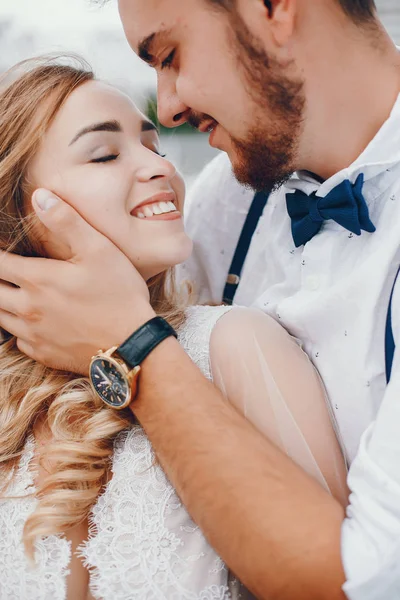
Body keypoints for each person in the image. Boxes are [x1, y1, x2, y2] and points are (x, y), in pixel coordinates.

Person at [0, 0, 399, 598]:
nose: (171, 107)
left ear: (274, 9)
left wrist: (132, 345)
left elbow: (361, 579)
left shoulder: (233, 338)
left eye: (169, 54)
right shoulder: (230, 198)